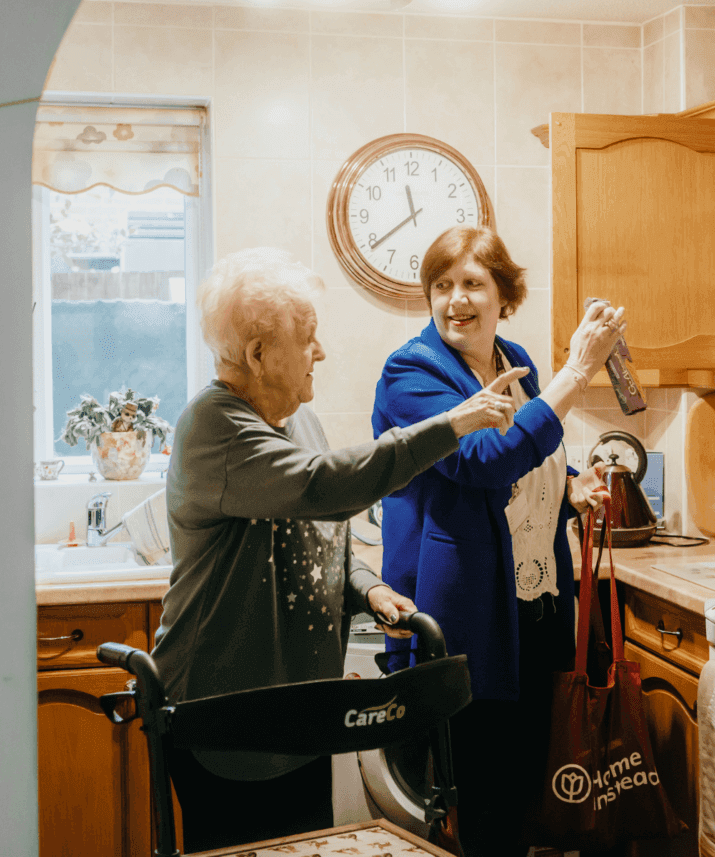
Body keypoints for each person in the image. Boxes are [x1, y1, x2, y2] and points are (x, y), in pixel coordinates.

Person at [150, 246, 528, 854]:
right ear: (257, 354)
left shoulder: (298, 418)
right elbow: (323, 487)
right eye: (308, 339)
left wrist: (367, 586)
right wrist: (452, 424)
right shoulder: (214, 430)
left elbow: (323, 534)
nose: (320, 352)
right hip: (227, 715)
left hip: (300, 709)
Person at [371, 226, 628, 856]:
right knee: (480, 809)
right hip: (466, 620)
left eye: (472, 284)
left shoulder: (513, 362)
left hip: (536, 607)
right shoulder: (410, 373)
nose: (455, 299)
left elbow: (527, 459)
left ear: (503, 296)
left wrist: (569, 485)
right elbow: (481, 460)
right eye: (441, 285)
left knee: (519, 799)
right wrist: (575, 374)